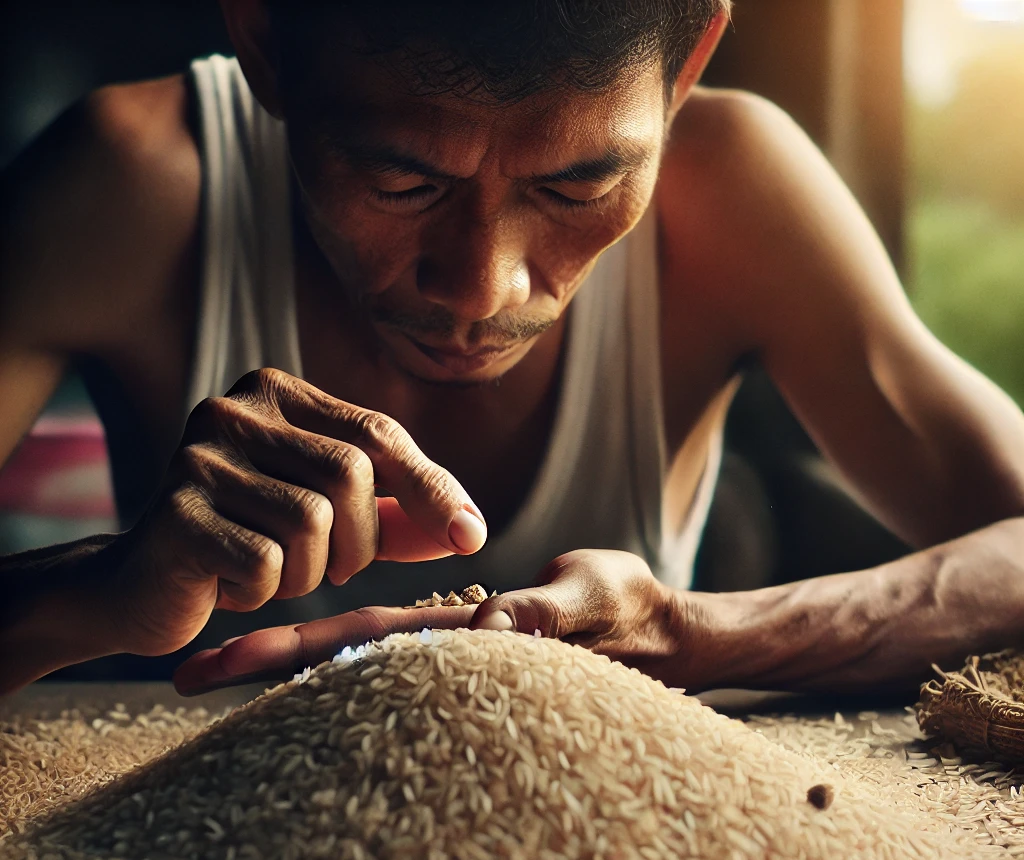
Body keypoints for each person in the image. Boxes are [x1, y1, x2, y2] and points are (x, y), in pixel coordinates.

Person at [2, 0, 1023, 699]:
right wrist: (93, 595)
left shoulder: (732, 190)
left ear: (685, 70)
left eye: (575, 188)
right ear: (266, 42)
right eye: (403, 184)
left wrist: (695, 633)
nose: (483, 286)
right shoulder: (133, 190)